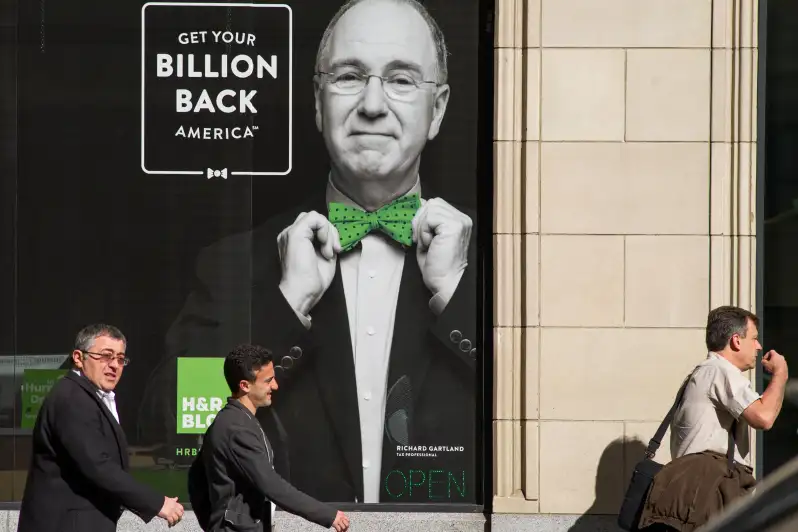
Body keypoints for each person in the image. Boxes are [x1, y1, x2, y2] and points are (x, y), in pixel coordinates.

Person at [141, 0, 478, 504]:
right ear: (318, 103)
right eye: (348, 76)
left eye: (402, 80)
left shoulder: (492, 271)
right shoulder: (235, 262)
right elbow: (172, 419)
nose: (372, 104)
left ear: (440, 109)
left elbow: (544, 425)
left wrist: (455, 294)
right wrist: (286, 304)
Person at [18, 324, 184, 532]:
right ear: (78, 358)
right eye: (106, 356)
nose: (114, 365)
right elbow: (97, 465)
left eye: (120, 358)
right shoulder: (72, 399)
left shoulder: (87, 395)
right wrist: (158, 503)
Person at [638, 306, 789, 531]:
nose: (758, 346)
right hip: (706, 497)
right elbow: (764, 417)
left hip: (691, 499)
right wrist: (781, 374)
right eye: (755, 338)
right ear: (736, 341)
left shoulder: (701, 373)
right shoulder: (721, 371)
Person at [188, 344, 350, 532]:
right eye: (268, 381)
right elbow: (272, 485)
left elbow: (195, 480)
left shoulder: (237, 420)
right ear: (245, 385)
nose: (275, 385)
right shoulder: (236, 428)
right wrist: (328, 515)